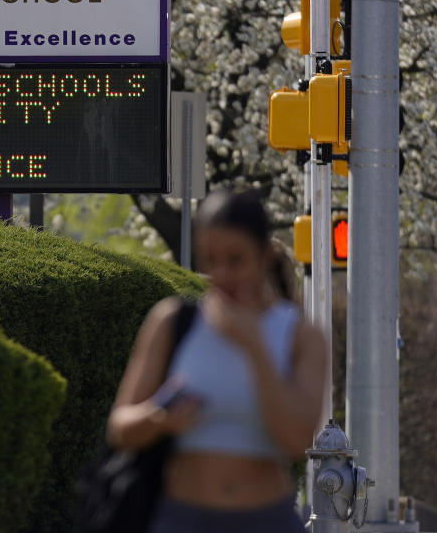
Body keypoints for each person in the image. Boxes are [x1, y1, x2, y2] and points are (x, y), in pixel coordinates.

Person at [106, 190, 327, 533]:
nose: (221, 274)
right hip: (181, 517)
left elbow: (297, 440)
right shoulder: (173, 321)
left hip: (266, 519)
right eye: (210, 260)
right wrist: (157, 418)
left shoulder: (300, 334)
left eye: (236, 259)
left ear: (265, 255)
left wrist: (254, 346)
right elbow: (119, 427)